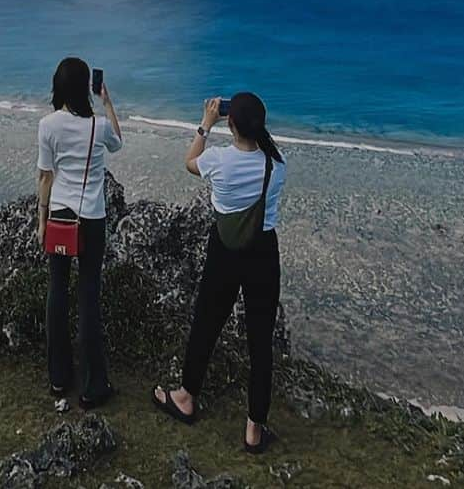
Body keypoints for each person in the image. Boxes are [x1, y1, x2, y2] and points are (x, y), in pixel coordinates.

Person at [153, 91, 286, 455]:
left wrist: (204, 125)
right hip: (263, 252)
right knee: (260, 341)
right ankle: (253, 430)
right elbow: (264, 159)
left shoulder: (218, 161)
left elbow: (189, 161)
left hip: (224, 249)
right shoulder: (278, 165)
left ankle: (185, 397)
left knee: (207, 322)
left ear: (230, 123)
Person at [36, 57, 123, 409]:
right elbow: (118, 141)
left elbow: (45, 177)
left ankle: (58, 377)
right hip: (91, 219)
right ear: (87, 86)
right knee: (89, 297)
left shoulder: (47, 125)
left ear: (57, 86)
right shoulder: (98, 126)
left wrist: (41, 221)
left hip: (60, 214)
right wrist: (107, 101)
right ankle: (92, 386)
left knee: (57, 291)